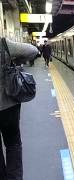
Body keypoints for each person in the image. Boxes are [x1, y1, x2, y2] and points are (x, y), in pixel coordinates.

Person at [0, 38, 38, 180]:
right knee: (13, 144)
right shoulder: (4, 45)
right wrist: (15, 60)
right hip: (9, 106)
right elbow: (33, 50)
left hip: (8, 108)